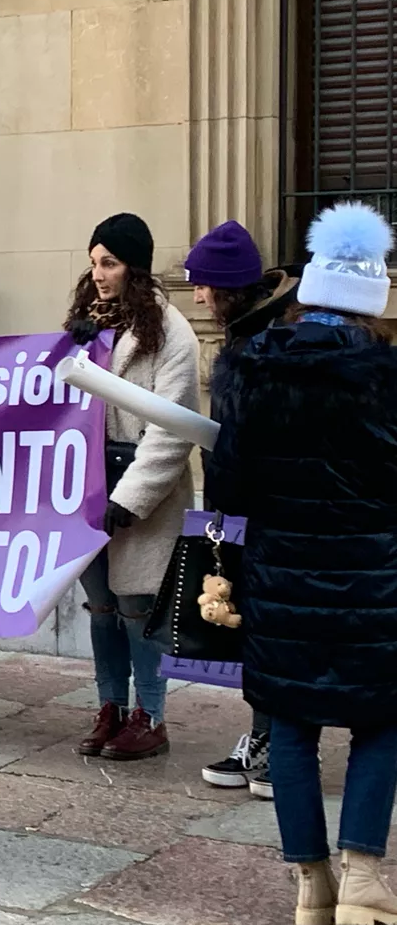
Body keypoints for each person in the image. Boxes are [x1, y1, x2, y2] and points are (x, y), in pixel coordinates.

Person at [206, 201, 397, 925]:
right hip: (374, 581)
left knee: (289, 724)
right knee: (380, 722)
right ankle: (365, 877)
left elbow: (225, 487)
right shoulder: (385, 379)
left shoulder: (249, 368)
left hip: (281, 575)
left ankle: (311, 889)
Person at [66, 213, 198, 761]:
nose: (98, 274)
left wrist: (133, 496)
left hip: (141, 479)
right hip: (90, 475)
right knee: (100, 602)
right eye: (94, 262)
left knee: (138, 602)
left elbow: (174, 425)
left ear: (134, 267)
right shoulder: (86, 327)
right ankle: (110, 707)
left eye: (110, 263)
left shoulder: (171, 333)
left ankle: (151, 715)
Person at [187, 221, 289, 800]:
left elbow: (256, 438)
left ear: (227, 287)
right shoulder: (246, 337)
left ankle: (281, 743)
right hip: (251, 510)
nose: (198, 295)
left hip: (273, 513)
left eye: (203, 285)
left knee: (273, 634)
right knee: (253, 631)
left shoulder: (264, 345)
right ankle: (263, 735)